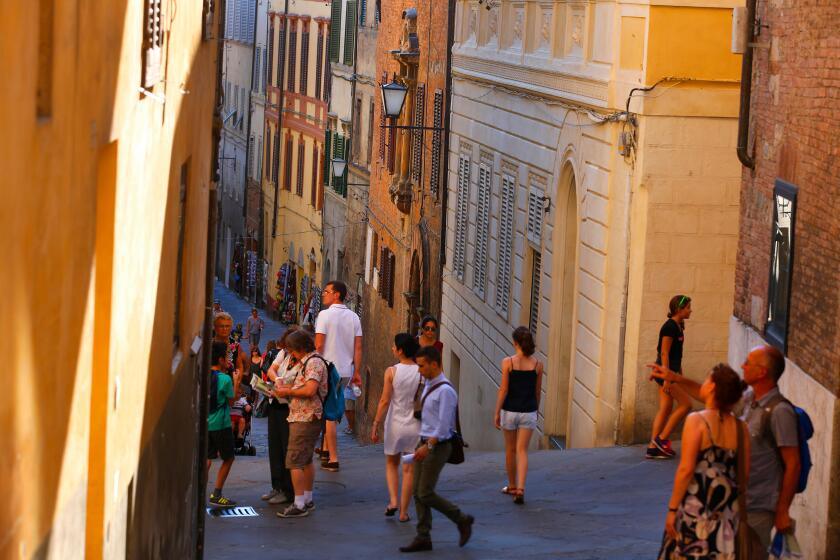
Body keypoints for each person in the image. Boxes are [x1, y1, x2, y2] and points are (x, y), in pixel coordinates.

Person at [650, 344, 801, 556]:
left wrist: (783, 509)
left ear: (762, 372)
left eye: (748, 362)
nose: (743, 365)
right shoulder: (748, 399)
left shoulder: (779, 411)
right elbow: (714, 400)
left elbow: (793, 463)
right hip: (733, 506)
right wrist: (676, 378)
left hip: (757, 507)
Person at [657, 364, 750, 559]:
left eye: (708, 379)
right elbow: (745, 474)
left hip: (696, 508)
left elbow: (685, 469)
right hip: (727, 513)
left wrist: (672, 510)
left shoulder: (697, 421)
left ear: (712, 388)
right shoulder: (742, 428)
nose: (704, 382)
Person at [399, 345, 474, 553]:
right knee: (417, 492)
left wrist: (428, 446)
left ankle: (461, 519)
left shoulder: (446, 391)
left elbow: (443, 426)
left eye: (422, 366)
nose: (419, 370)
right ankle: (423, 536)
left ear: (434, 364)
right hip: (425, 443)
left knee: (425, 492)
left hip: (437, 446)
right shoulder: (429, 385)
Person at [273, 330, 329, 518]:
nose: (292, 355)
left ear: (300, 348)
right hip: (304, 415)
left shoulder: (313, 363)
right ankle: (307, 498)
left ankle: (299, 504)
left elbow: (310, 390)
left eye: (293, 351)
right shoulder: (310, 361)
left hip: (305, 417)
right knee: (305, 460)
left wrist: (287, 392)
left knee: (294, 460)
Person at [371, 333, 422, 523]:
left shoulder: (391, 371)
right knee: (409, 470)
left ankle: (393, 502)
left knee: (392, 464)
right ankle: (404, 512)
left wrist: (376, 423)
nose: (392, 349)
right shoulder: (421, 371)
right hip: (415, 426)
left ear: (400, 350)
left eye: (394, 346)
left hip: (394, 425)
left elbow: (385, 400)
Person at [314, 280, 363, 472]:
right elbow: (358, 347)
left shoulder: (324, 315)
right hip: (345, 371)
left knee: (330, 415)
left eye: (326, 291)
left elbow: (318, 345)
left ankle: (333, 458)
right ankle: (326, 449)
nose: (323, 294)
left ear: (336, 294)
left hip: (327, 370)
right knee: (331, 409)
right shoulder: (354, 317)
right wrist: (356, 371)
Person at [493, 327, 543, 505]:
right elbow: (537, 392)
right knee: (522, 451)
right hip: (528, 411)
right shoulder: (538, 365)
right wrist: (536, 409)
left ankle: (512, 485)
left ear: (515, 343)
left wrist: (497, 411)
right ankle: (521, 489)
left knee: (510, 450)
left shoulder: (508, 362)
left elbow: (504, 389)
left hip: (510, 411)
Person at [647, 295, 694, 460]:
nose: (690, 310)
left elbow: (676, 354)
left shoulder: (679, 326)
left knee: (666, 408)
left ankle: (653, 448)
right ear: (679, 310)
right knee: (686, 404)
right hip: (665, 372)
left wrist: (679, 373)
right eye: (688, 307)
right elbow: (664, 352)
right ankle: (662, 439)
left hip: (671, 372)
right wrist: (667, 378)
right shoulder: (669, 327)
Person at [261, 327, 300, 506]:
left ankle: (288, 490)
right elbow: (271, 369)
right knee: (274, 447)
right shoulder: (283, 354)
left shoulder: (303, 360)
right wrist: (276, 381)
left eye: (290, 348)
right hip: (275, 404)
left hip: (289, 408)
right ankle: (276, 486)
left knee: (286, 449)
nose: (287, 350)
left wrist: (285, 389)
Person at [207, 341, 242, 506]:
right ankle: (217, 494)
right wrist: (236, 381)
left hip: (205, 423)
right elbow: (231, 401)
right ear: (221, 360)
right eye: (226, 357)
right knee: (228, 458)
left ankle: (198, 494)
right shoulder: (225, 379)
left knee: (206, 459)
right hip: (221, 424)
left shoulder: (202, 373)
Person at [213, 312, 248, 389]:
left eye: (227, 326)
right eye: (221, 326)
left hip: (230, 385)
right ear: (215, 327)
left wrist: (238, 382)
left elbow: (239, 366)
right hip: (213, 384)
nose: (225, 329)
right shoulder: (210, 343)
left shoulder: (235, 345)